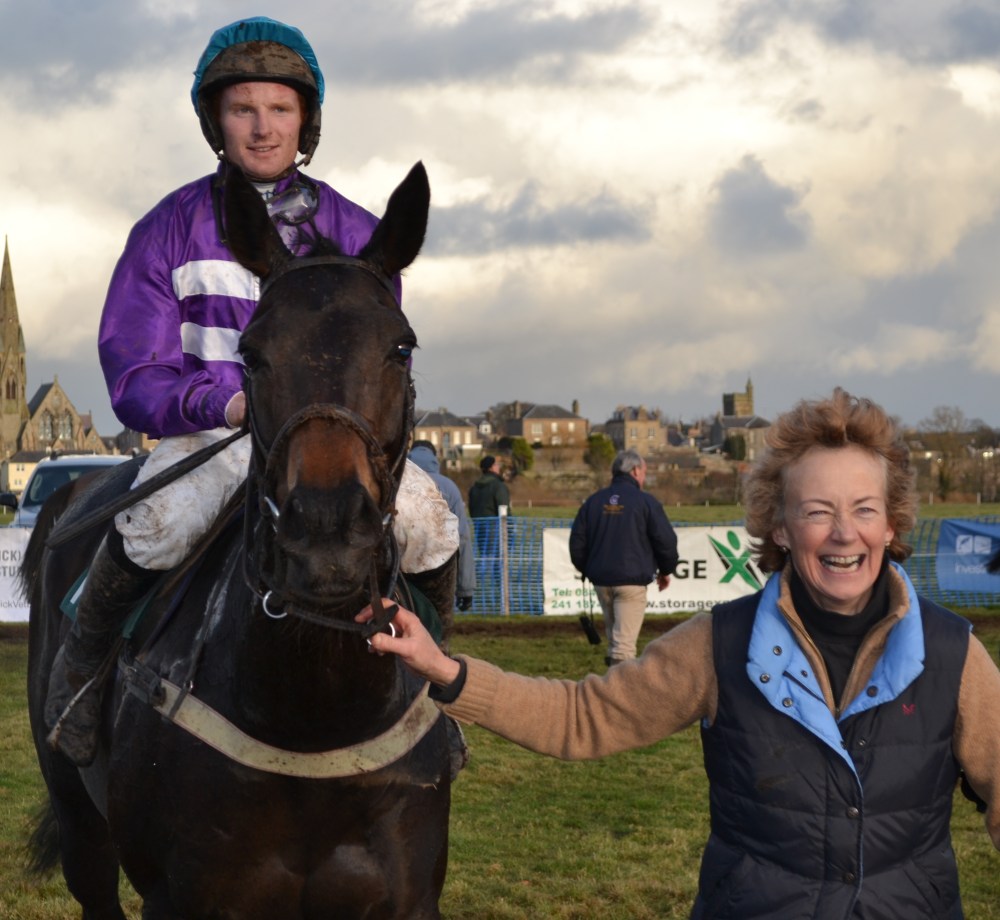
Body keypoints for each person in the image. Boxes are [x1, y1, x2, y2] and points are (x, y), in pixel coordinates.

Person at [360, 388, 1000, 917]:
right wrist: (447, 671)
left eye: (864, 509)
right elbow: (583, 718)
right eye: (817, 511)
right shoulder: (718, 644)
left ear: (891, 525)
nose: (843, 532)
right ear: (779, 526)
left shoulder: (954, 655)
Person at [45, 16, 456, 768]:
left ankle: (436, 695)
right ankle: (79, 679)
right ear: (216, 121)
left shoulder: (359, 229)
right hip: (213, 438)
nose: (262, 128)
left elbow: (380, 361)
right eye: (242, 109)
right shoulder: (165, 230)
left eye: (279, 109)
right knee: (154, 522)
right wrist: (223, 404)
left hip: (332, 443)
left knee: (434, 523)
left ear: (307, 122)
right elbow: (134, 372)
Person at [570, 448, 679, 665]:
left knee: (616, 641)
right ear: (636, 471)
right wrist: (666, 570)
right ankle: (619, 696)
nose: (645, 477)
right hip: (631, 581)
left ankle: (610, 690)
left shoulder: (593, 502)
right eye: (645, 472)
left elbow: (577, 544)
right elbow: (665, 540)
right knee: (624, 647)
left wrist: (589, 569)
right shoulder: (646, 502)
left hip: (601, 581)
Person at [409, 440, 476, 611]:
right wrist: (465, 588)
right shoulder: (449, 487)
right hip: (439, 569)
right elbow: (462, 538)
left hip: (401, 571)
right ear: (434, 458)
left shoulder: (398, 483)